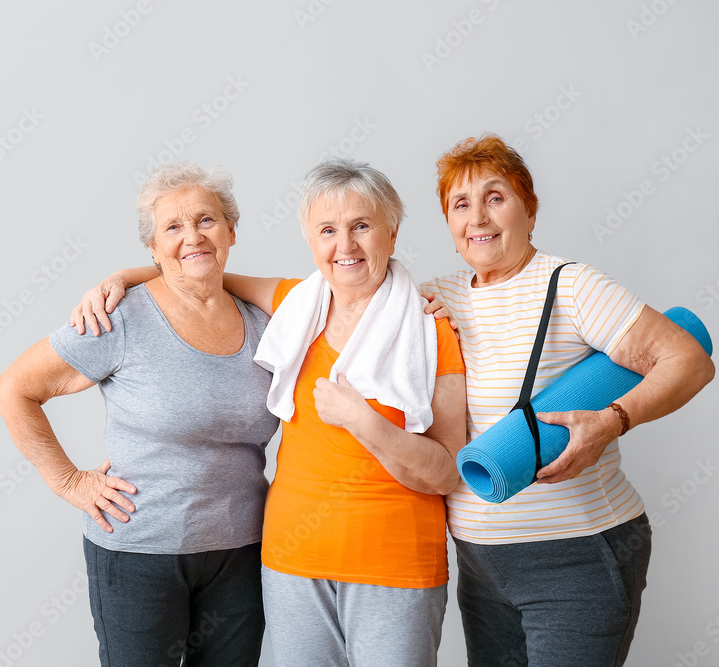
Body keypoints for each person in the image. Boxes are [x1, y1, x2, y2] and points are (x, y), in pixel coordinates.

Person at [73, 159, 467, 666]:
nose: (344, 246)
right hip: (291, 563)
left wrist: (366, 423)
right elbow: (201, 268)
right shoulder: (294, 306)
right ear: (310, 238)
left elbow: (446, 473)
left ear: (392, 232)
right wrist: (124, 275)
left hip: (396, 565)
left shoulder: (430, 331)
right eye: (328, 230)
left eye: (361, 226)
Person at [419, 134, 715, 667]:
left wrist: (611, 421)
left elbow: (689, 360)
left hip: (576, 557)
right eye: (460, 204)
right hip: (479, 564)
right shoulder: (441, 296)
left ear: (529, 209)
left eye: (495, 197)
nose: (478, 217)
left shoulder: (572, 286)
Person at [0, 162, 279, 667]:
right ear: (153, 248)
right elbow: (13, 388)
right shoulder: (119, 316)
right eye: (173, 227)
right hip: (140, 555)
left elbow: (347, 305)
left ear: (231, 229)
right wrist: (68, 481)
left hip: (243, 553)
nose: (192, 236)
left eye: (206, 220)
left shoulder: (266, 323)